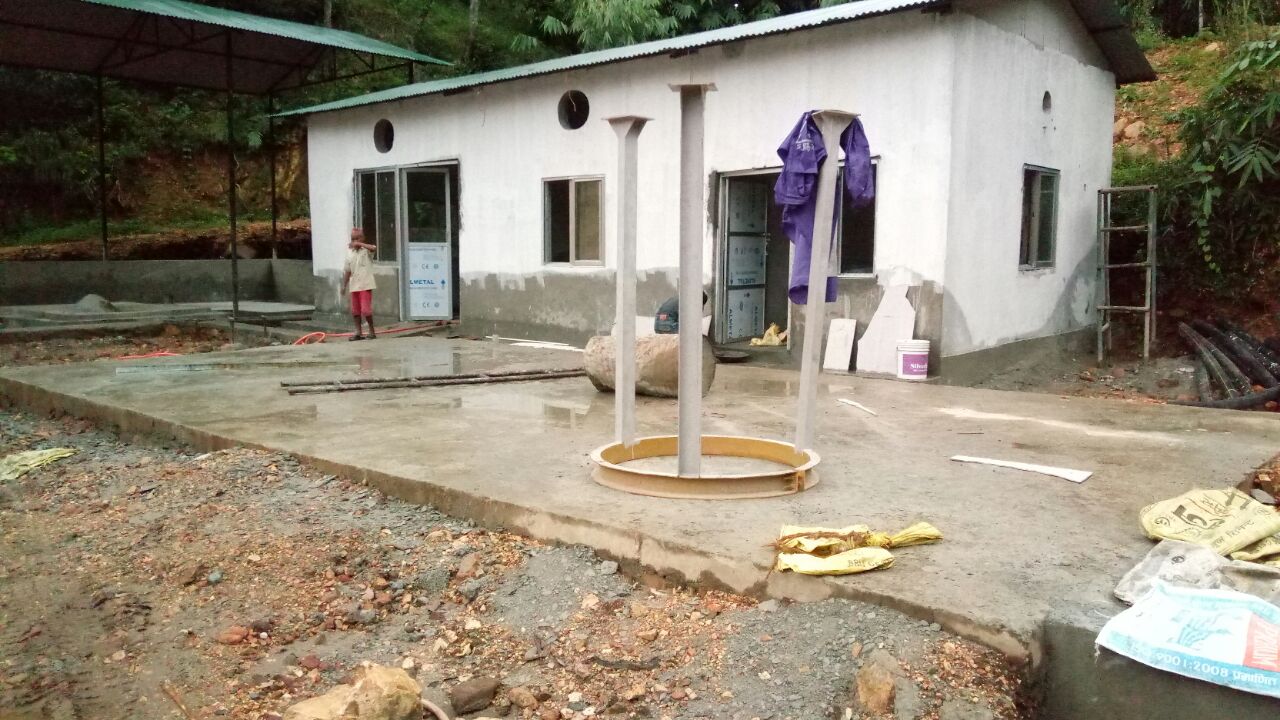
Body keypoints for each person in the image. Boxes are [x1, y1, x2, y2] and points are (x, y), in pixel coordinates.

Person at [341, 228, 378, 340]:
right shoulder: (350, 253)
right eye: (353, 239)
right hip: (354, 285)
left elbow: (373, 248)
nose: (355, 241)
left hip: (365, 284)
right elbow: (348, 270)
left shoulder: (366, 251)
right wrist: (344, 285)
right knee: (355, 310)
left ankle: (372, 331)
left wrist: (360, 244)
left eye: (358, 238)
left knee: (366, 310)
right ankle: (358, 332)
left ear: (363, 238)